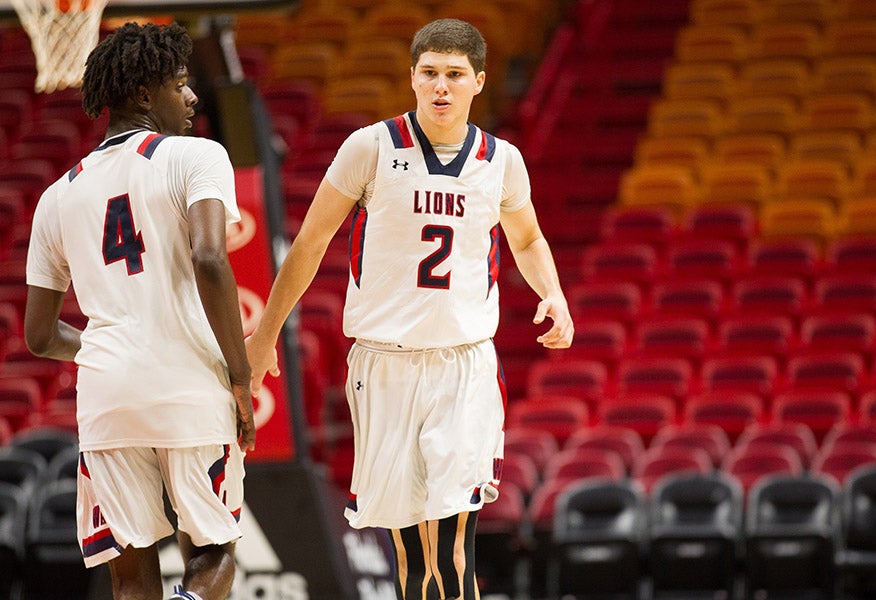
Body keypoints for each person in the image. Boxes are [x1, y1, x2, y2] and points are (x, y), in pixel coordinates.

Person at [247, 17, 573, 600]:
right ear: (413, 78)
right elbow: (310, 242)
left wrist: (554, 293)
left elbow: (527, 239)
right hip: (384, 365)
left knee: (451, 549)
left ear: (478, 81)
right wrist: (265, 332)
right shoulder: (370, 147)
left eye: (454, 75)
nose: (441, 86)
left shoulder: (502, 161)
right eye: (430, 73)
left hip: (462, 365)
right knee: (411, 556)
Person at [24, 21, 255, 600]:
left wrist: (109, 346)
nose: (192, 96)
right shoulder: (197, 156)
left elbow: (39, 336)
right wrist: (241, 377)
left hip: (107, 396)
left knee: (129, 577)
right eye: (180, 84)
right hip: (188, 385)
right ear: (144, 96)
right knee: (213, 551)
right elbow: (210, 257)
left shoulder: (56, 195)